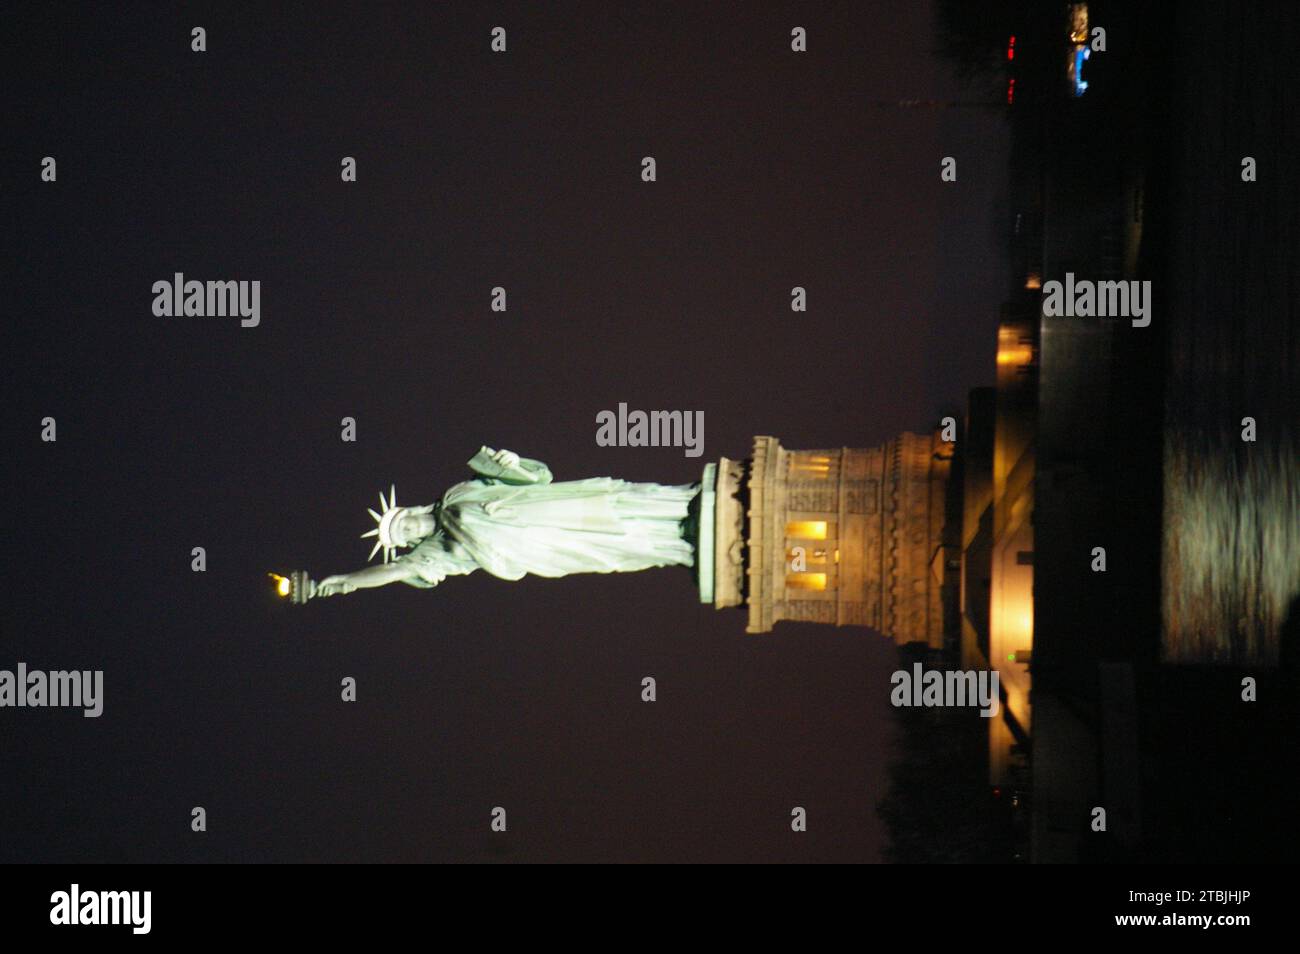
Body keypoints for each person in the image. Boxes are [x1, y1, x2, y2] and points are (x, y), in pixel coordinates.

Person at [314, 447, 698, 597]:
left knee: (621, 502)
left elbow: (533, 479)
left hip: (554, 506)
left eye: (407, 520)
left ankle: (685, 503)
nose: (412, 528)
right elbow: (395, 570)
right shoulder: (438, 553)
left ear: (412, 509)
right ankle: (680, 546)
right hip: (545, 545)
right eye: (406, 534)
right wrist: (349, 581)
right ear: (411, 544)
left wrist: (512, 464)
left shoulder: (457, 495)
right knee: (617, 544)